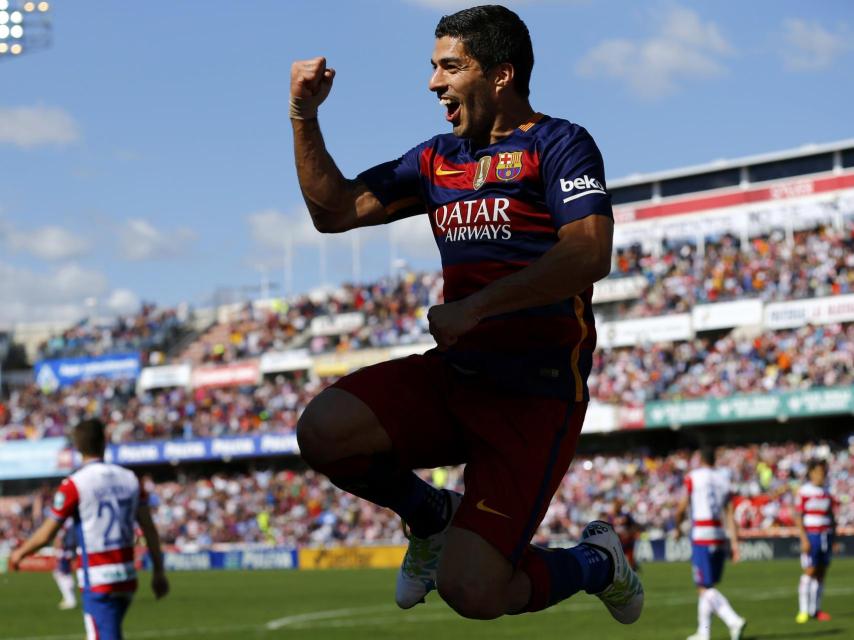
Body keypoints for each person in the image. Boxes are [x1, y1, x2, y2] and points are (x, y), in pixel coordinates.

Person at [290, 4, 642, 622]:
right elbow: (335, 211)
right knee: (321, 429)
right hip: (457, 377)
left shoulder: (560, 144)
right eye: (434, 68)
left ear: (500, 75)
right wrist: (303, 115)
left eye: (449, 67)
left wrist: (477, 307)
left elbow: (589, 251)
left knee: (473, 594)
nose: (434, 83)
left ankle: (598, 562)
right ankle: (430, 516)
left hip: (535, 396)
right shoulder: (436, 159)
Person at [10, 419, 169, 640]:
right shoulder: (131, 479)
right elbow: (149, 529)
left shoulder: (74, 484)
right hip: (126, 576)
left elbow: (47, 533)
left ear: (77, 447)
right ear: (105, 442)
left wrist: (19, 553)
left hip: (98, 578)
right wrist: (159, 572)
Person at [675, 447, 747, 640]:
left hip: (701, 533)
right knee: (708, 585)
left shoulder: (694, 476)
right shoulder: (723, 478)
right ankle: (703, 633)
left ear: (699, 459)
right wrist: (734, 544)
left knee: (704, 587)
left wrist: (676, 527)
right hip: (719, 534)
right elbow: (730, 513)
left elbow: (682, 506)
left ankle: (733, 620)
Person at [795, 459, 835, 623]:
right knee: (810, 571)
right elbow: (798, 516)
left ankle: (815, 610)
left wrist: (834, 536)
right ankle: (803, 610)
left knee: (821, 572)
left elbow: (831, 515)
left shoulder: (826, 491)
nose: (821, 475)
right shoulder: (804, 491)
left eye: (824, 472)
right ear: (811, 473)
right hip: (812, 535)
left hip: (826, 535)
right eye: (819, 472)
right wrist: (804, 539)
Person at [53, 521, 79, 610]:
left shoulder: (65, 524)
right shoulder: (71, 523)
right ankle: (70, 598)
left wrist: (57, 550)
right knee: (62, 574)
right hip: (70, 550)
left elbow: (59, 539)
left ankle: (70, 600)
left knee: (61, 574)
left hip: (65, 551)